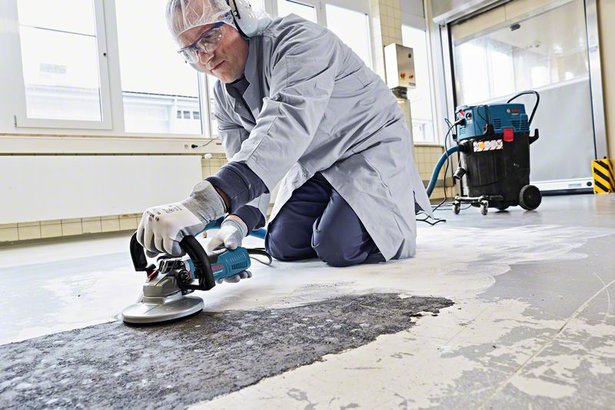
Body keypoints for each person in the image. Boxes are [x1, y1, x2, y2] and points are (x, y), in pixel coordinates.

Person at [137, 0, 431, 273]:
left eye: (209, 38)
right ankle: (342, 212)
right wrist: (235, 223)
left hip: (369, 148)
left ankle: (386, 216)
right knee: (281, 245)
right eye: (191, 51)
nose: (204, 57)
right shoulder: (224, 96)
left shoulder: (299, 42)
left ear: (241, 19)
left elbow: (287, 123)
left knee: (337, 246)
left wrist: (202, 205)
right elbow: (246, 162)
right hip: (319, 167)